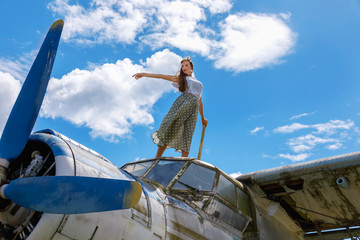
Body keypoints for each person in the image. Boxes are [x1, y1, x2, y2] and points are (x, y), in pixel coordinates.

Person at [133, 57, 208, 158]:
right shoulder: (182, 78)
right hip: (183, 103)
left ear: (191, 68)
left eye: (186, 65)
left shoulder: (199, 83)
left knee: (188, 133)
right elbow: (161, 76)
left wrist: (202, 117)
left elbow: (200, 100)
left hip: (193, 108)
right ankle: (157, 158)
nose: (184, 68)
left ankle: (183, 162)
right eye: (182, 66)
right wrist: (143, 74)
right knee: (171, 127)